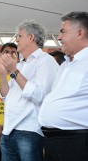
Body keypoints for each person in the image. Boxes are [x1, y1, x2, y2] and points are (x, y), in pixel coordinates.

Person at [0, 20, 58, 161]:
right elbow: (6, 97)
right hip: (8, 130)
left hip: (29, 130)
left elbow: (40, 95)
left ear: (31, 37)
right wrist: (2, 75)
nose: (16, 39)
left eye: (19, 36)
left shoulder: (46, 61)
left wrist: (14, 71)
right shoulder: (21, 64)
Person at [38, 11, 88, 161]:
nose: (59, 37)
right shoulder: (66, 65)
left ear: (80, 33)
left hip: (76, 143)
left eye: (63, 32)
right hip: (54, 141)